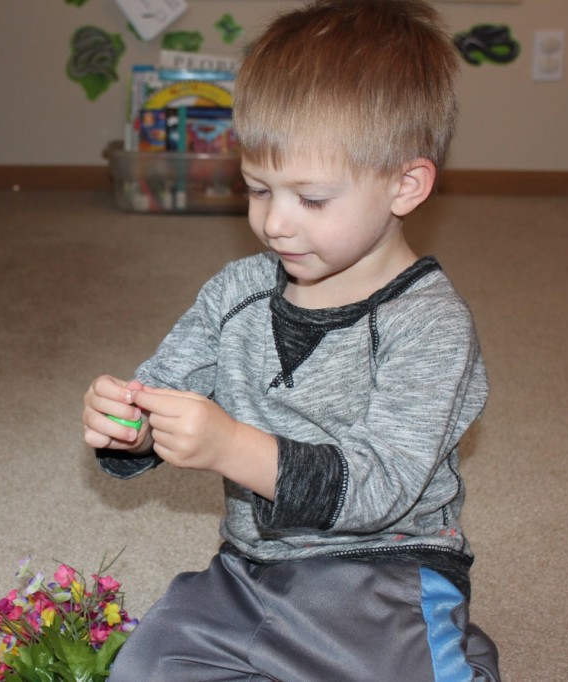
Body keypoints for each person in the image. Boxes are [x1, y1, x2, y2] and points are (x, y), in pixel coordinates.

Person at [81, 0, 500, 679]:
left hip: (382, 569)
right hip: (248, 569)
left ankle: (452, 649)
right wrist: (132, 429)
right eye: (256, 188)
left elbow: (382, 485)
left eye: (310, 199)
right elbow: (166, 389)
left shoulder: (430, 324)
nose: (274, 223)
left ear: (405, 184)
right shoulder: (235, 291)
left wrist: (234, 447)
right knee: (142, 668)